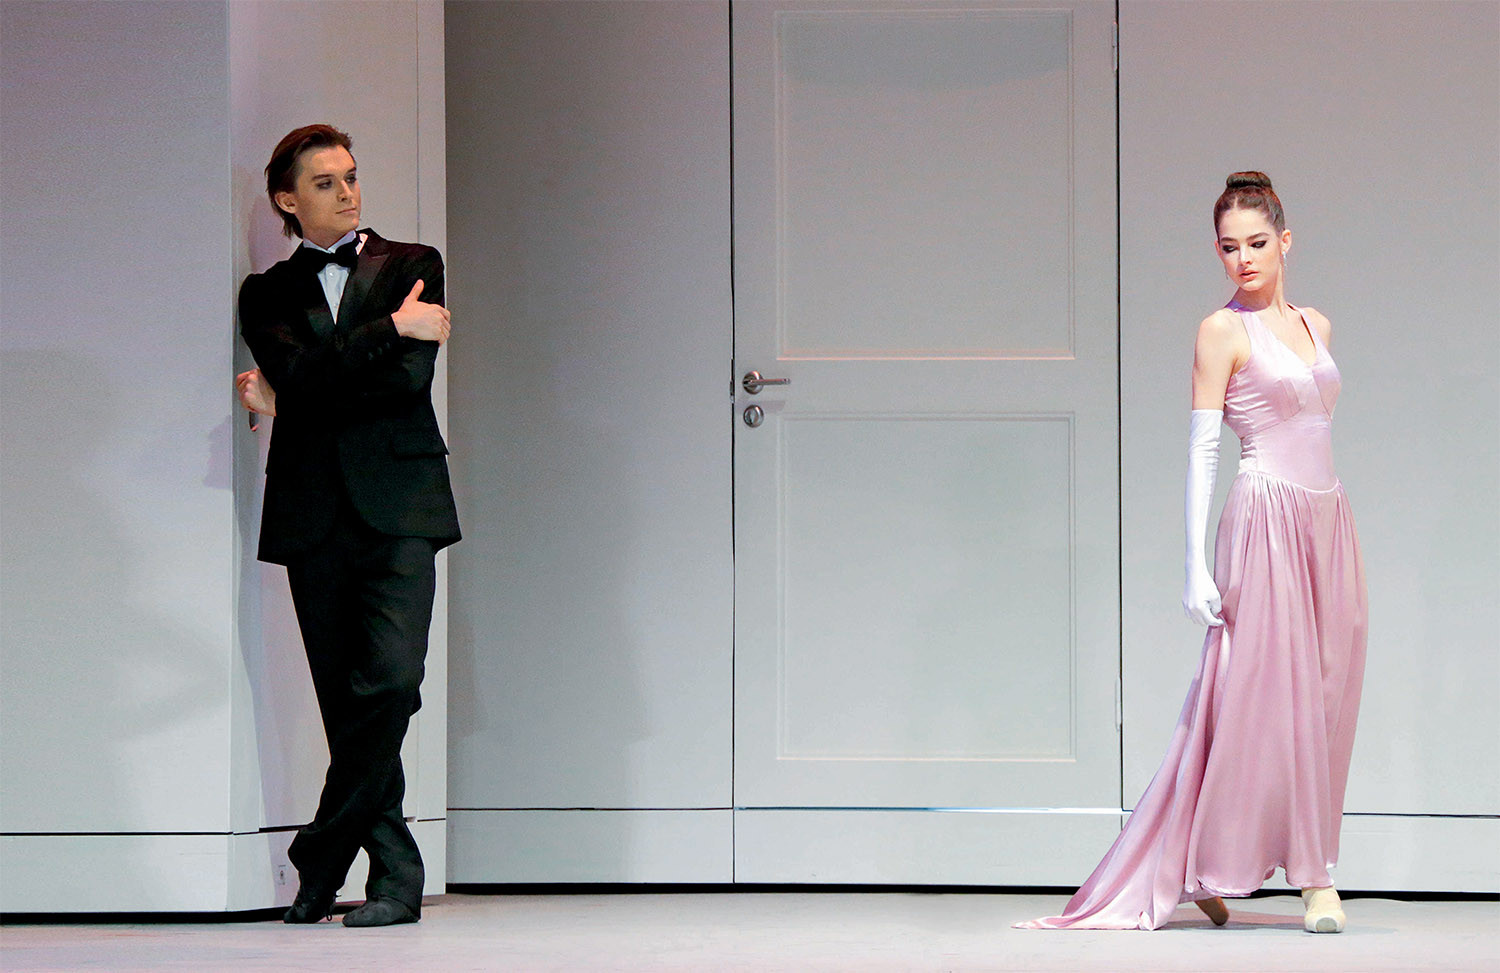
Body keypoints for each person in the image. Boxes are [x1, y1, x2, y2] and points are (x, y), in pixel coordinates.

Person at [1018, 171, 1367, 933]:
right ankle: (1315, 878)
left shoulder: (1316, 324)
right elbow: (1204, 450)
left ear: (1285, 241)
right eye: (1229, 247)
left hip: (1328, 519)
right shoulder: (1221, 331)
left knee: (1328, 693)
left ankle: (1199, 862)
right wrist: (1193, 563)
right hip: (1265, 517)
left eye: (1257, 242)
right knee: (1256, 699)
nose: (1244, 258)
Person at [235, 124, 461, 927]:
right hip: (313, 510)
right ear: (288, 200)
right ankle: (395, 879)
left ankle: (320, 852)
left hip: (402, 505)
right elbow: (297, 373)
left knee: (391, 683)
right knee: (345, 700)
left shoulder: (412, 264)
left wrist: (297, 398)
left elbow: (403, 385)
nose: (347, 192)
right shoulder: (266, 293)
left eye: (352, 176)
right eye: (325, 182)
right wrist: (389, 330)